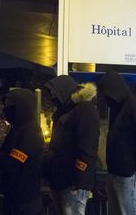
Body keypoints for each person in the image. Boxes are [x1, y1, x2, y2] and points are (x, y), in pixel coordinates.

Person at [98, 70, 136, 215]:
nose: (105, 98)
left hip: (127, 175)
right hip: (116, 172)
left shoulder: (132, 107)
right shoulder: (119, 106)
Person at [44, 76, 100, 215]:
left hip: (72, 184)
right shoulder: (66, 111)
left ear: (64, 91)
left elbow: (87, 148)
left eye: (54, 93)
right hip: (61, 180)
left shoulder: (84, 110)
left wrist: (79, 181)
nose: (52, 97)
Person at [0, 88, 44, 215]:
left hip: (25, 200)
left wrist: (3, 157)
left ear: (21, 108)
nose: (6, 111)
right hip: (15, 197)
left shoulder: (30, 131)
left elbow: (12, 163)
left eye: (10, 107)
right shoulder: (17, 129)